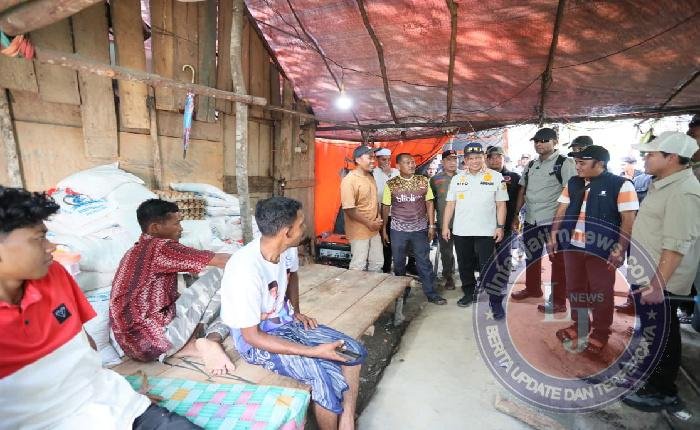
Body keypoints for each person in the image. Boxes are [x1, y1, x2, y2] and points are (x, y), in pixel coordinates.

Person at [0, 187, 200, 429]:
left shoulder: (54, 275)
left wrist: (118, 392)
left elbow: (85, 346)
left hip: (113, 405)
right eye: (39, 238)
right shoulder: (157, 248)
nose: (51, 246)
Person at [221, 197, 366, 430]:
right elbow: (252, 337)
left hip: (286, 321)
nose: (305, 228)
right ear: (287, 232)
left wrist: (295, 310)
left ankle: (347, 419)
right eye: (301, 224)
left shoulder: (286, 249)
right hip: (255, 340)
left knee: (353, 350)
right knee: (323, 374)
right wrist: (313, 351)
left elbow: (293, 275)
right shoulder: (244, 270)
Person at [621, 131, 700, 411]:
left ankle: (662, 390)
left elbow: (676, 246)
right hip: (648, 275)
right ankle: (647, 374)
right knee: (651, 330)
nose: (645, 158)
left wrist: (658, 284)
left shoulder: (684, 191)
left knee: (664, 334)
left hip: (661, 280)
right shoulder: (663, 184)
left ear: (672, 158)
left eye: (651, 154)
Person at [110, 199, 234, 375]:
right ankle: (208, 340)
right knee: (223, 275)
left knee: (214, 296)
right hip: (157, 338)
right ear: (155, 228)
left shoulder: (134, 251)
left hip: (133, 347)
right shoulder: (161, 247)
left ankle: (192, 345)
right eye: (176, 223)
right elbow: (223, 261)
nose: (181, 228)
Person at [548, 145, 638, 355]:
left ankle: (600, 332)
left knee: (601, 293)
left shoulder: (621, 185)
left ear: (600, 164)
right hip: (572, 247)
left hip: (602, 250)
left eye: (582, 163)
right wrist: (553, 237)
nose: (577, 166)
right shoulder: (574, 183)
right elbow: (561, 210)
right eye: (576, 162)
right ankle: (580, 325)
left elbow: (628, 220)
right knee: (574, 289)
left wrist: (620, 249)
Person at [510, 127, 576, 314]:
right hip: (531, 219)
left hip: (553, 221)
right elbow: (523, 190)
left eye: (544, 140)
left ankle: (558, 301)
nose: (539, 144)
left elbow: (570, 192)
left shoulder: (564, 163)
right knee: (532, 256)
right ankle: (533, 289)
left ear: (555, 142)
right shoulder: (531, 164)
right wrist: (516, 214)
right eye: (536, 141)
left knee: (558, 261)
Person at [443, 143, 509, 313]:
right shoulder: (457, 179)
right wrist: (445, 226)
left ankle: (495, 301)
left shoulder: (496, 177)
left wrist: (500, 227)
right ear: (465, 160)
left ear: (483, 158)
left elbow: (501, 205)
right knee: (465, 265)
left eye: (478, 157)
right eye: (471, 158)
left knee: (488, 267)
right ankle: (469, 293)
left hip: (486, 231)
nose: (475, 161)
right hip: (461, 231)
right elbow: (450, 205)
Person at [382, 153, 447, 305]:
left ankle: (431, 293)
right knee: (399, 263)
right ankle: (402, 294)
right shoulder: (391, 184)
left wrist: (431, 225)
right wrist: (384, 229)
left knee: (423, 262)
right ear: (398, 166)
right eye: (407, 162)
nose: (411, 165)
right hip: (398, 230)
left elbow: (429, 203)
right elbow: (385, 206)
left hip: (419, 229)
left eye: (412, 162)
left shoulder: (423, 181)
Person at [340, 146, 384, 272]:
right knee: (358, 266)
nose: (373, 161)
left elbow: (375, 201)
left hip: (374, 230)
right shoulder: (349, 180)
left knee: (377, 263)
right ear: (358, 160)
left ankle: (374, 286)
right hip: (359, 232)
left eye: (374, 157)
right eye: (370, 157)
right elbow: (349, 209)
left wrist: (378, 218)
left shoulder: (370, 177)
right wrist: (369, 223)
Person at [486, 146, 522, 275]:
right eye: (491, 157)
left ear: (503, 158)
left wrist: (516, 215)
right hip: (484, 224)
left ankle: (502, 280)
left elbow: (521, 196)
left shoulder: (514, 177)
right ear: (487, 160)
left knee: (504, 255)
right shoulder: (481, 177)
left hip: (506, 224)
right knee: (486, 257)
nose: (495, 160)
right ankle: (486, 280)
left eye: (498, 157)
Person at [430, 149, 460, 290]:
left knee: (465, 252)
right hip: (444, 223)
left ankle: (467, 276)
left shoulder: (464, 177)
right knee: (446, 252)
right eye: (449, 159)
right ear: (442, 162)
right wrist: (432, 223)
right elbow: (431, 202)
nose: (452, 162)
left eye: (455, 159)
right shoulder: (435, 179)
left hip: (464, 222)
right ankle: (449, 276)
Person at [372, 148, 400, 273]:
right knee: (384, 243)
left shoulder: (396, 172)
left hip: (397, 214)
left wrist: (389, 174)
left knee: (395, 243)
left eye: (389, 159)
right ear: (377, 160)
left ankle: (397, 268)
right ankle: (385, 269)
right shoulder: (372, 173)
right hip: (379, 214)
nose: (387, 162)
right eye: (384, 159)